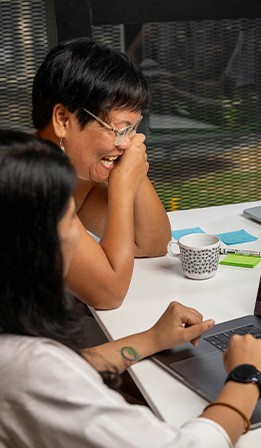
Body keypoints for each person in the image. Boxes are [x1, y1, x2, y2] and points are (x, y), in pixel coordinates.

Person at [0, 130, 261, 447]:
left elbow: (62, 372)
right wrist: (247, 377)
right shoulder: (29, 370)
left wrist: (151, 339)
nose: (76, 237)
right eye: (67, 220)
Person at [33, 38, 171, 310]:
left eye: (133, 128)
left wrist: (130, 160)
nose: (127, 143)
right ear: (63, 120)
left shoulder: (74, 173)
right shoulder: (32, 187)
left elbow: (152, 243)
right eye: (119, 129)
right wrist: (122, 189)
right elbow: (109, 294)